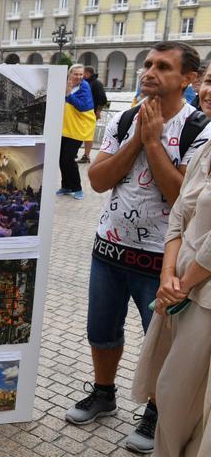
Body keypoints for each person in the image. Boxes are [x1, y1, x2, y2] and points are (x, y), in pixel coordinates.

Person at [67, 42, 211, 455]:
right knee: (102, 330)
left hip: (163, 262)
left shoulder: (199, 128)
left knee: (161, 341)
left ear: (188, 79)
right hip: (109, 250)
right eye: (147, 64)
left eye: (163, 67)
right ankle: (103, 392)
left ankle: (155, 410)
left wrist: (154, 143)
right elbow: (97, 179)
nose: (149, 72)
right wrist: (138, 138)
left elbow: (182, 197)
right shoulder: (128, 117)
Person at [132, 64, 211, 457]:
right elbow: (180, 212)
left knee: (187, 397)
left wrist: (183, 282)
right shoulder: (206, 148)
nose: (210, 91)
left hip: (202, 294)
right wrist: (167, 274)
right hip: (179, 287)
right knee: (169, 391)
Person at [59, 64, 95, 200]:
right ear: (69, 74)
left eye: (81, 74)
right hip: (65, 127)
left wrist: (68, 95)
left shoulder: (84, 86)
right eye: (76, 74)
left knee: (69, 158)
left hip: (79, 128)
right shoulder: (63, 84)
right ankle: (66, 186)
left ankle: (77, 188)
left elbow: (82, 106)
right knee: (61, 158)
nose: (79, 77)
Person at [80, 66, 108, 163]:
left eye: (82, 73)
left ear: (88, 73)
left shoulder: (96, 83)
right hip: (82, 113)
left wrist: (98, 112)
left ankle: (86, 156)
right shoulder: (86, 82)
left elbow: (103, 99)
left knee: (88, 134)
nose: (81, 75)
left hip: (91, 113)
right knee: (81, 133)